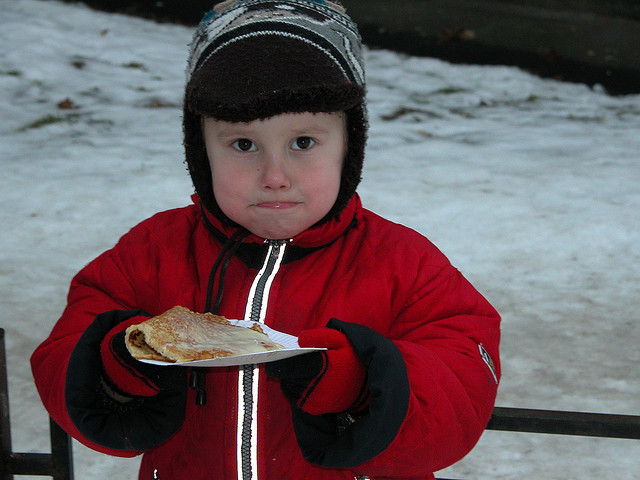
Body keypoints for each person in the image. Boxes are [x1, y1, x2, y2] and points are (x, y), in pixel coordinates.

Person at [31, 1, 501, 479]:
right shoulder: (153, 250)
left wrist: (360, 385)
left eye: (303, 143)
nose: (274, 176)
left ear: (349, 147)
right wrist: (118, 364)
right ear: (201, 151)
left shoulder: (403, 263)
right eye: (243, 144)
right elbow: (64, 351)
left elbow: (462, 388)